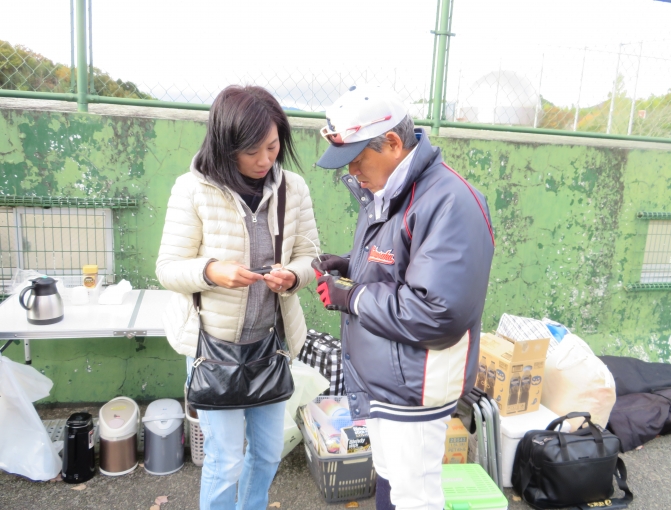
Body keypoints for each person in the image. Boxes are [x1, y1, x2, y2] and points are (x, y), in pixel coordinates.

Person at [312, 85, 495, 510]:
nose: (352, 170)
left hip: (415, 385)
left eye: (358, 158)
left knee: (416, 497)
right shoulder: (388, 189)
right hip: (384, 380)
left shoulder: (450, 201)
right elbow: (396, 265)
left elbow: (437, 312)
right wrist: (350, 266)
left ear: (393, 143)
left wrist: (352, 296)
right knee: (391, 480)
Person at [156, 85, 319, 510]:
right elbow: (168, 268)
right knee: (225, 460)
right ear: (226, 146)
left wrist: (292, 276)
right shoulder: (192, 189)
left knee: (267, 454)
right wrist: (212, 271)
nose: (265, 160)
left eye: (273, 146)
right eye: (252, 151)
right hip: (215, 349)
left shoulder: (294, 189)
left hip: (268, 345)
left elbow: (311, 257)